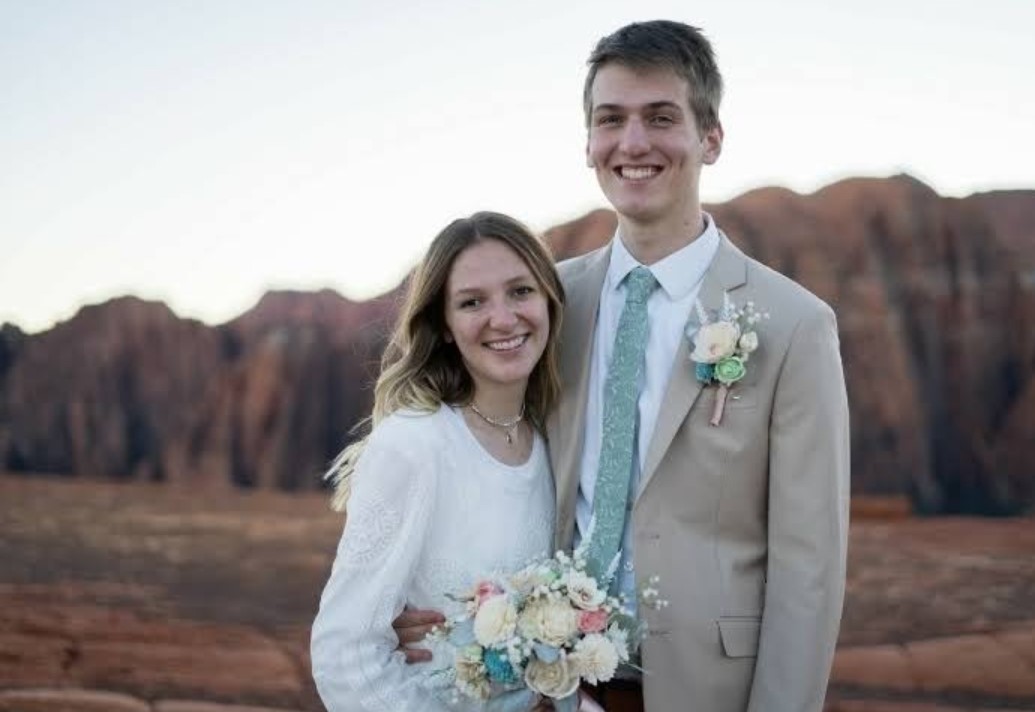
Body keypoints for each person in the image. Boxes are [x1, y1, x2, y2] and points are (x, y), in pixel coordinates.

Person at [395, 20, 849, 712]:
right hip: (547, 687)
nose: (633, 143)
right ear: (588, 144)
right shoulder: (547, 303)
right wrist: (424, 593)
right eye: (611, 120)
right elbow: (476, 452)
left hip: (709, 690)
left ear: (711, 138)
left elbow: (808, 564)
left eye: (661, 117)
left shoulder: (792, 325)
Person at [310, 211, 567, 711]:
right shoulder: (415, 444)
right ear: (444, 326)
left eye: (520, 291)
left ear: (549, 301)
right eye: (472, 302)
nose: (503, 319)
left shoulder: (557, 438)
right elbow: (344, 653)